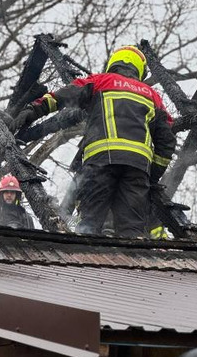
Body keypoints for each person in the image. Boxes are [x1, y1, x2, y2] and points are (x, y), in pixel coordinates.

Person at [13, 45, 176, 238]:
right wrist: (151, 175)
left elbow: (64, 95)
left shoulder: (100, 81)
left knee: (90, 225)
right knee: (132, 230)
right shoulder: (152, 95)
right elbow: (166, 143)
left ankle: (87, 263)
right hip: (137, 169)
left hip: (100, 163)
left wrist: (33, 109)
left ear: (114, 62)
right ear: (139, 68)